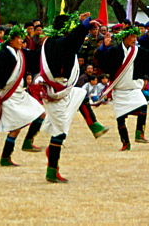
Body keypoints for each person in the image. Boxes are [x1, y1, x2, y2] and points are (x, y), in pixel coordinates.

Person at [36, 13, 109, 183]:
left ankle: (94, 125)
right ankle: (52, 171)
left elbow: (73, 39)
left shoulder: (53, 41)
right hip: (56, 91)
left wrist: (80, 24)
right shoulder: (59, 43)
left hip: (64, 89)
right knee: (59, 134)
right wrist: (83, 25)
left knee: (80, 93)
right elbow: (73, 40)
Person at [0, 26, 46, 168]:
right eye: (18, 38)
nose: (21, 41)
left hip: (20, 92)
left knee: (41, 113)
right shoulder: (2, 55)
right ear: (10, 41)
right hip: (8, 94)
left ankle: (28, 141)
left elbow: (36, 57)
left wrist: (45, 45)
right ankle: (5, 157)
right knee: (16, 128)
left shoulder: (21, 54)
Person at [96, 25, 149, 150]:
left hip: (134, 89)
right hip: (120, 90)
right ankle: (125, 143)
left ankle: (139, 133)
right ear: (125, 38)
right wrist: (104, 46)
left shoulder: (139, 51)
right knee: (120, 119)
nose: (134, 39)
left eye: (135, 36)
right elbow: (102, 60)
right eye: (132, 36)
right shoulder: (115, 51)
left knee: (143, 106)